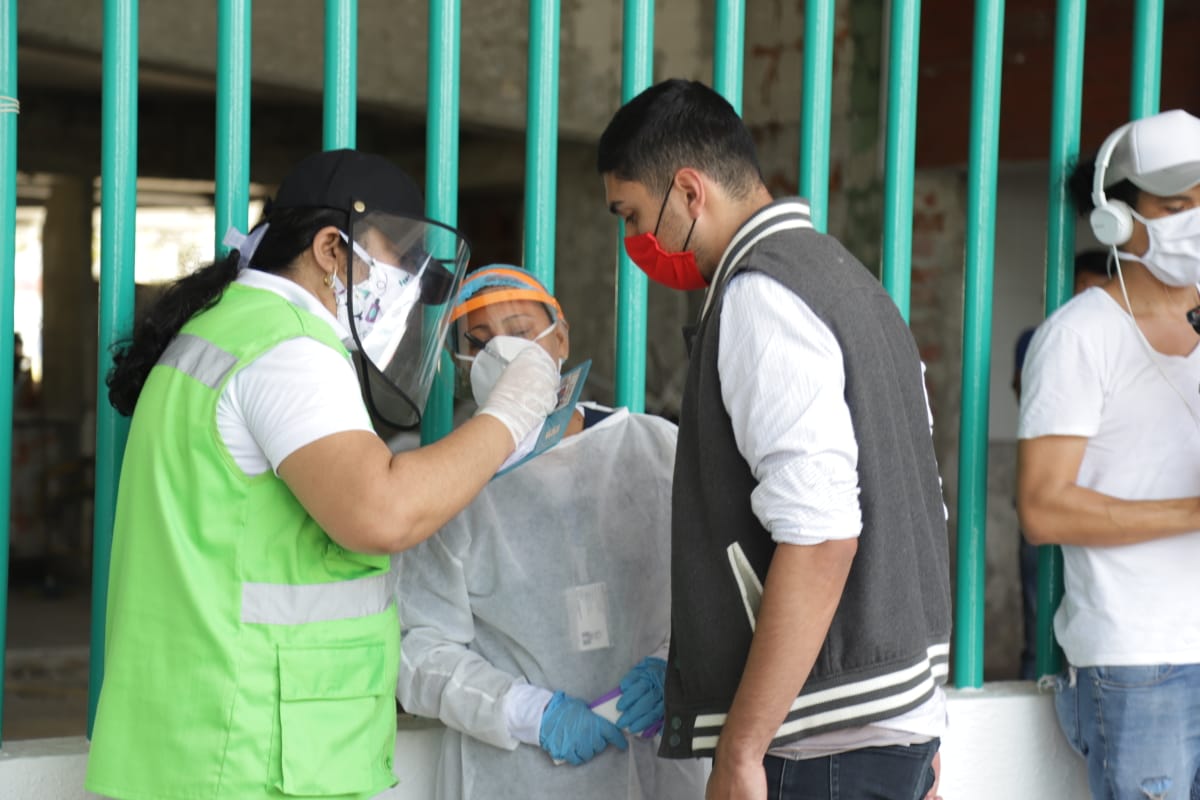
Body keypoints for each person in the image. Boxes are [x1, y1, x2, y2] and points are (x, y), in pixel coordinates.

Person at [84, 150, 560, 800]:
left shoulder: (222, 331)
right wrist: (512, 412)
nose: (401, 296)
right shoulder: (289, 351)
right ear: (333, 249)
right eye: (397, 269)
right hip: (253, 751)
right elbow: (381, 512)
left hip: (192, 743)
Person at [597, 78, 950, 800]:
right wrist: (926, 724)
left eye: (634, 216)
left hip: (822, 746)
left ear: (690, 193)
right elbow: (919, 507)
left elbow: (822, 538)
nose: (638, 243)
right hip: (887, 729)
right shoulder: (852, 284)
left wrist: (740, 750)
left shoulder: (763, 296)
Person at [394, 265, 707, 800]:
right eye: (480, 342)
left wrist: (673, 667)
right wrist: (527, 714)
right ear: (460, 364)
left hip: (661, 764)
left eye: (518, 331)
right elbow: (419, 649)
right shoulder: (452, 487)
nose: (501, 353)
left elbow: (719, 591)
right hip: (516, 778)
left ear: (560, 337)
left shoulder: (657, 451)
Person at [1017, 109, 1200, 799]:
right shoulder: (1079, 337)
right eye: (1178, 205)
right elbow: (1042, 507)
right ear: (1116, 220)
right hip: (1140, 660)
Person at [1010, 249, 1109, 680]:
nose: (1085, 300)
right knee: (1039, 609)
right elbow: (1033, 402)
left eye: (1096, 291)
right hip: (1050, 490)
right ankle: (1036, 679)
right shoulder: (1042, 339)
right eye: (1079, 290)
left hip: (1100, 498)